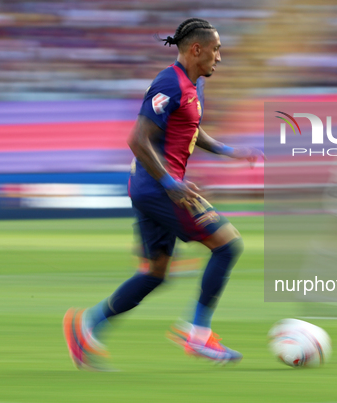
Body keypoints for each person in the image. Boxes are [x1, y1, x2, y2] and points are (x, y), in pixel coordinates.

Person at [64, 18, 263, 370]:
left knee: (155, 273)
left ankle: (87, 325)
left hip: (153, 187)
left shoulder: (193, 84)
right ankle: (197, 333)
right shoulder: (169, 82)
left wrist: (229, 150)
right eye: (216, 49)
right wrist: (171, 184)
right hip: (158, 188)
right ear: (196, 49)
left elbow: (190, 129)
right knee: (228, 244)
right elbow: (137, 139)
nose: (220, 56)